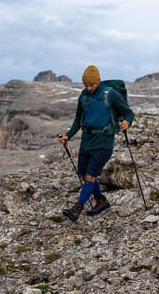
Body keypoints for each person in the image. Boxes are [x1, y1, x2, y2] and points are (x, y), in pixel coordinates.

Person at [58, 65, 135, 221]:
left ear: (98, 82)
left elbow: (128, 112)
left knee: (90, 176)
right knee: (83, 173)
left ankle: (77, 209)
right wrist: (68, 135)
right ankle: (101, 201)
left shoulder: (111, 94)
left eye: (91, 85)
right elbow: (78, 119)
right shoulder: (84, 96)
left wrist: (127, 122)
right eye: (86, 85)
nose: (89, 88)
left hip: (103, 141)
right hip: (86, 141)